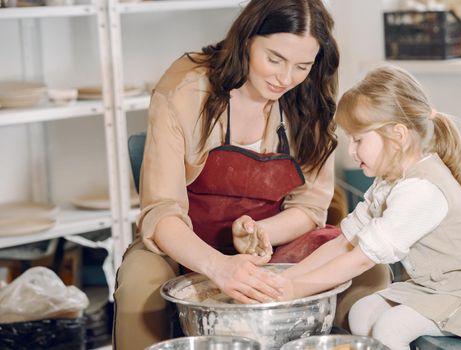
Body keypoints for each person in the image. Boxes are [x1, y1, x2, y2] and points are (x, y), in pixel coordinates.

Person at [113, 1, 390, 349]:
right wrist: (219, 266)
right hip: (186, 245)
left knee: (370, 269)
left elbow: (309, 208)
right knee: (141, 280)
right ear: (246, 40)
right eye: (274, 59)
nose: (285, 78)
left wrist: (261, 233)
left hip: (272, 246)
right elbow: (161, 211)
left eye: (302, 65)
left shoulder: (310, 98)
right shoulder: (186, 88)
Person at [277, 65, 461, 350]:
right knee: (362, 313)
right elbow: (345, 243)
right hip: (445, 286)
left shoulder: (421, 190)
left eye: (358, 139)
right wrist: (285, 279)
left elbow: (360, 259)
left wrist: (296, 290)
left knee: (390, 327)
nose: (351, 150)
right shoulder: (389, 182)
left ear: (398, 135)